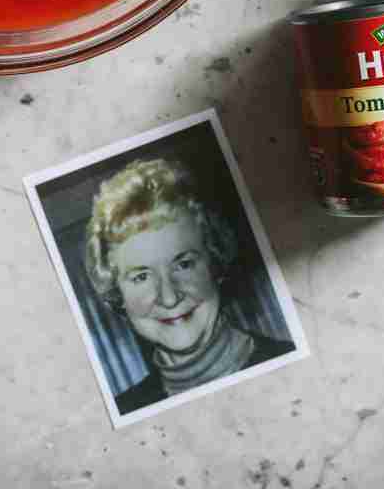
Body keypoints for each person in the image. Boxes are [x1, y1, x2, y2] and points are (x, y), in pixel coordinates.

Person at [85, 156, 295, 415]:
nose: (169, 297)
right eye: (141, 276)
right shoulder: (125, 409)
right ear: (118, 294)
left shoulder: (289, 361)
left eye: (183, 264)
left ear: (214, 264)